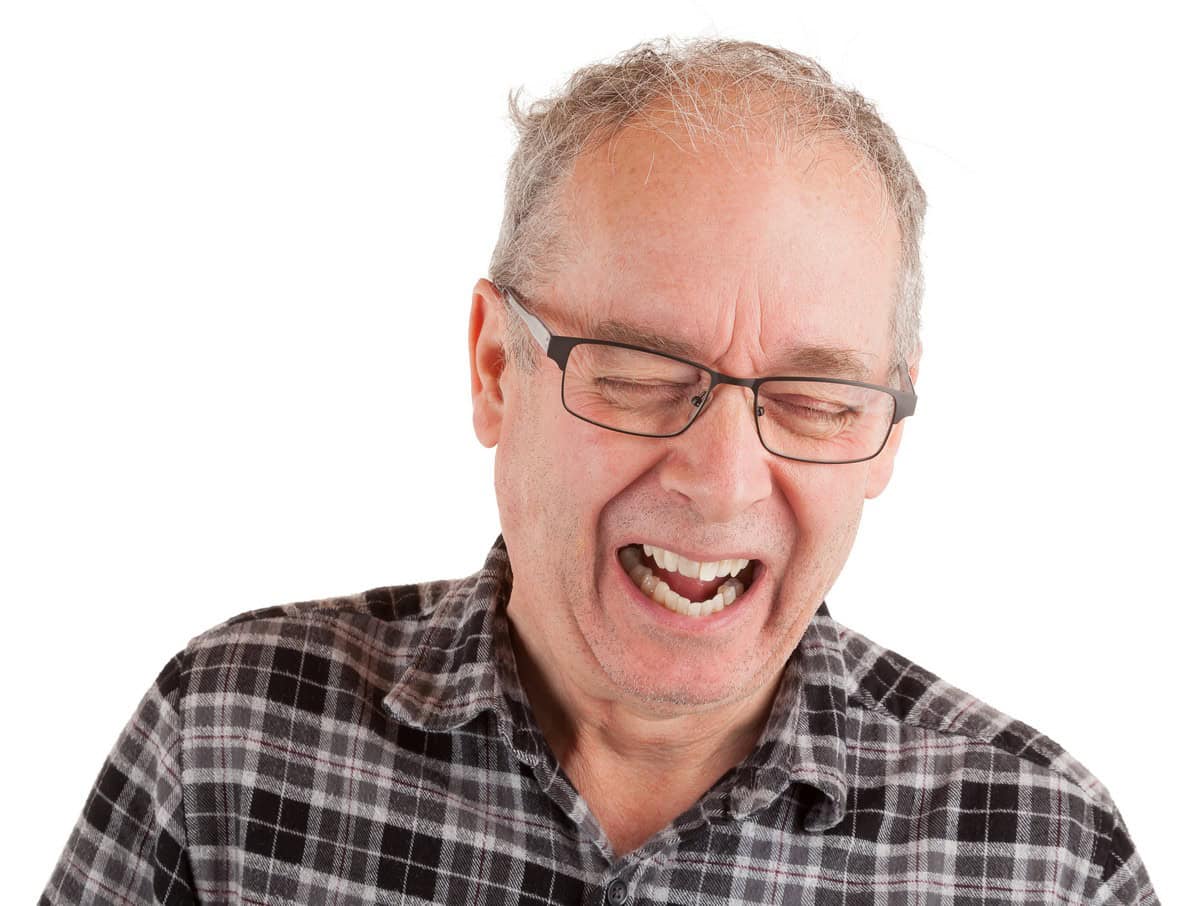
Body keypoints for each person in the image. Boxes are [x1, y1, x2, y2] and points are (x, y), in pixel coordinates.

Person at [40, 38, 1158, 905]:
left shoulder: (1045, 855)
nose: (724, 480)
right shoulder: (229, 737)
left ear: (890, 428)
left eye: (814, 401)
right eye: (638, 375)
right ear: (495, 368)